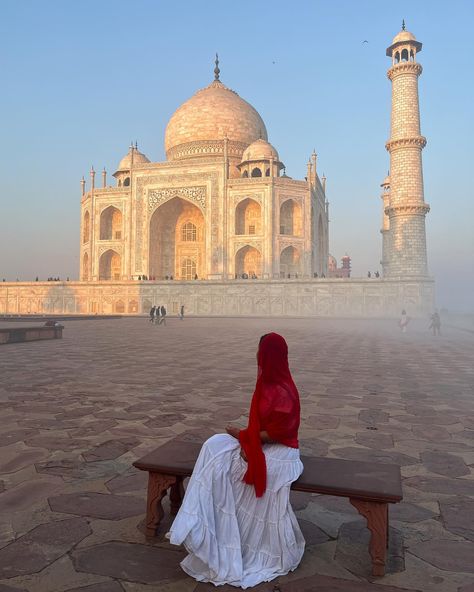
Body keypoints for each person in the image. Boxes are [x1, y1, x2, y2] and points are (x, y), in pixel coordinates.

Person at [167, 333, 305, 588]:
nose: (256, 355)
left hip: (281, 453)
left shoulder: (281, 390)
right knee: (214, 445)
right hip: (264, 445)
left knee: (225, 467)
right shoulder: (268, 383)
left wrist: (243, 436)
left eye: (259, 350)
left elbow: (279, 433)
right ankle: (197, 523)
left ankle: (222, 533)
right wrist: (246, 440)